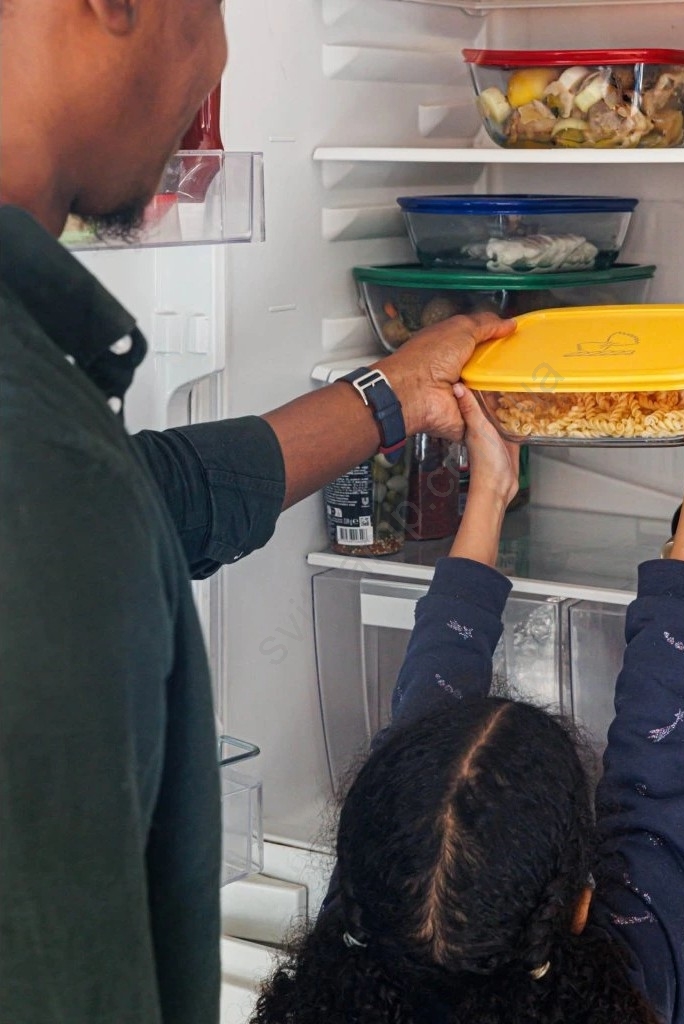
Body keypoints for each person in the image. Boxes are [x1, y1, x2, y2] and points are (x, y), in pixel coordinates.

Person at [0, 3, 515, 1023]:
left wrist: (392, 393)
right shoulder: (37, 456)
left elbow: (145, 499)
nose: (222, 62)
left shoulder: (52, 453)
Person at [249, 339, 684, 1024]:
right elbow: (654, 773)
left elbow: (658, 778)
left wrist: (489, 487)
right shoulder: (633, 980)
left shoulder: (346, 970)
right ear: (578, 907)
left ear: (358, 869)